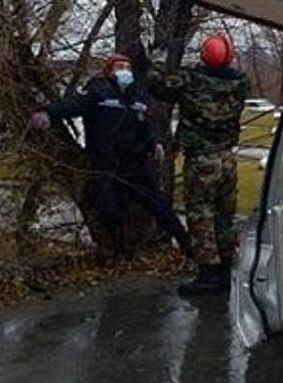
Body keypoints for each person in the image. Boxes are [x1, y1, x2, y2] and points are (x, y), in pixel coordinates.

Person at [30, 52, 193, 260]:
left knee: (160, 206)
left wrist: (155, 145)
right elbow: (73, 106)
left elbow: (144, 128)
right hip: (106, 164)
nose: (124, 71)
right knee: (109, 210)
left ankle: (186, 244)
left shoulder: (137, 97)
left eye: (127, 66)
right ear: (109, 71)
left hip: (135, 165)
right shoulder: (98, 92)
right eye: (119, 67)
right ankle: (121, 253)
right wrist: (47, 113)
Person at [149, 33, 250, 296]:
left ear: (204, 56)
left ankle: (208, 276)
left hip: (202, 160)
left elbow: (158, 86)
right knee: (224, 217)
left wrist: (158, 58)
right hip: (228, 159)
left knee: (201, 217)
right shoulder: (241, 83)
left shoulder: (191, 80)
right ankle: (226, 271)